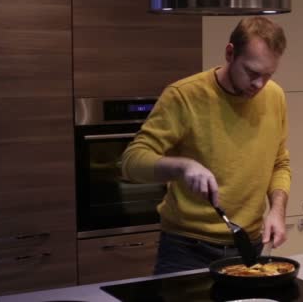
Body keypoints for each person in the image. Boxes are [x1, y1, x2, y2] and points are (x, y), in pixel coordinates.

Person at [122, 16, 291, 274]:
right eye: (252, 72)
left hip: (248, 246)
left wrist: (277, 211)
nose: (259, 85)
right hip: (186, 249)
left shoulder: (274, 96)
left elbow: (280, 163)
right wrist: (182, 166)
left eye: (268, 75)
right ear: (229, 53)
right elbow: (132, 162)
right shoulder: (184, 96)